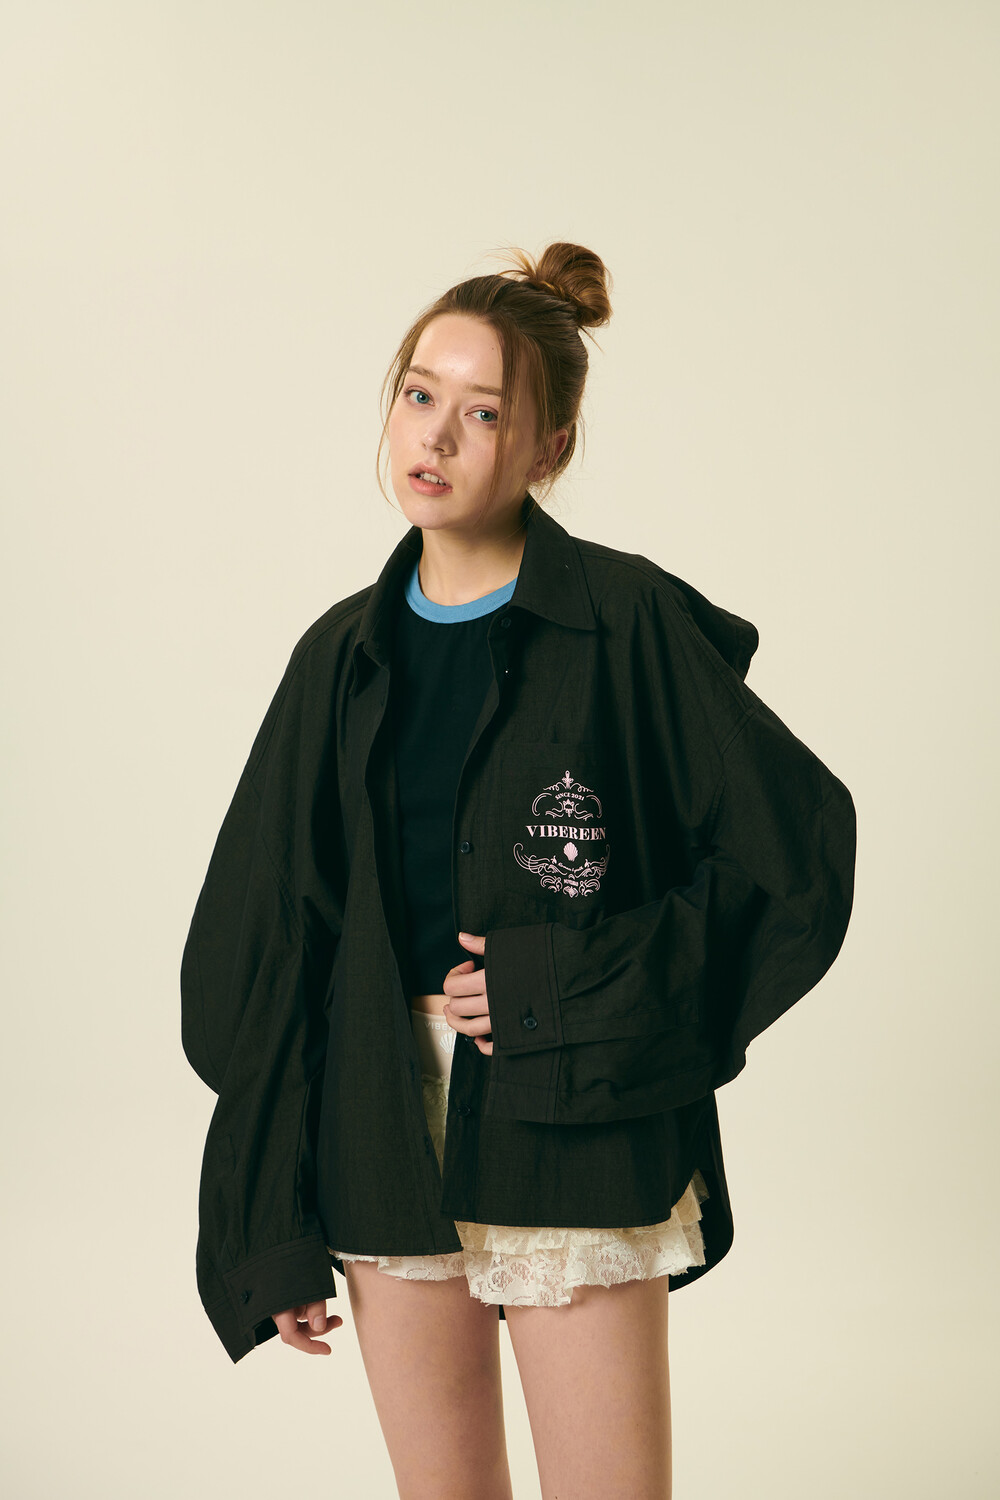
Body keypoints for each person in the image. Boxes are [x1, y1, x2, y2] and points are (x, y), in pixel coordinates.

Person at [181, 241, 857, 1500]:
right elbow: (265, 949)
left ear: (549, 447)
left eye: (484, 412)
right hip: (379, 1126)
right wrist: (269, 1217)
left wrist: (572, 989)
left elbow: (795, 858)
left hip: (581, 1124)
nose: (435, 434)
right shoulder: (337, 658)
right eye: (418, 392)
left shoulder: (627, 622)